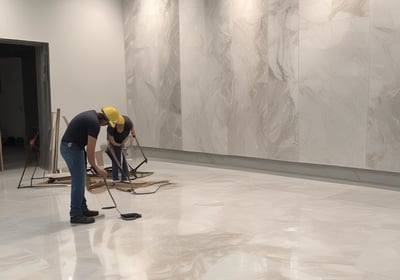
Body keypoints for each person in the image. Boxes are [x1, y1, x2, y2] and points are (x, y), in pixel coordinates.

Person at [60, 106, 120, 224]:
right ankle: (75, 214)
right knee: (78, 181)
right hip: (71, 148)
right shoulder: (94, 124)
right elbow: (91, 150)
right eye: (107, 124)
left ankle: (83, 209)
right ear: (105, 120)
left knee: (80, 179)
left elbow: (87, 148)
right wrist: (98, 169)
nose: (106, 126)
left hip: (74, 147)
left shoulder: (92, 116)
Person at [106, 115, 135, 182]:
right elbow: (112, 140)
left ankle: (125, 177)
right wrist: (118, 145)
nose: (120, 129)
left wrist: (133, 132)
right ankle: (116, 178)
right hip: (113, 142)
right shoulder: (111, 127)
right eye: (119, 127)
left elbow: (130, 131)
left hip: (121, 140)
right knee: (116, 158)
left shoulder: (128, 123)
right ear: (116, 125)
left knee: (122, 158)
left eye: (121, 127)